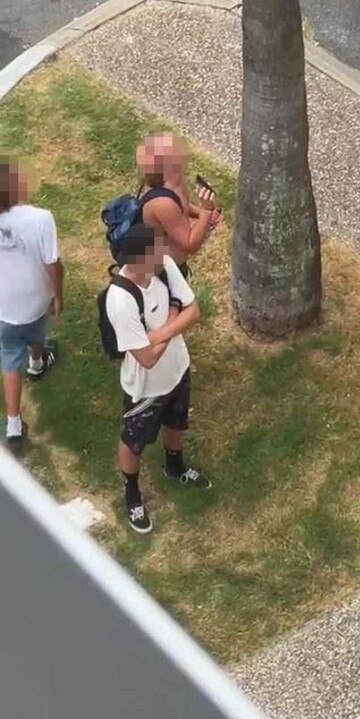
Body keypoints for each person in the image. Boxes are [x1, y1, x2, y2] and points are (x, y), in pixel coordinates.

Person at [105, 224, 211, 534]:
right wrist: (175, 316)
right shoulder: (120, 300)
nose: (164, 257)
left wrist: (161, 330)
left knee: (177, 422)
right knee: (134, 440)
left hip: (178, 368)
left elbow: (194, 310)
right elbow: (147, 359)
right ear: (137, 261)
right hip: (145, 389)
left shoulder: (161, 265)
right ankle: (132, 493)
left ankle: (174, 466)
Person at [0, 157, 63, 451]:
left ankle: (13, 424)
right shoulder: (41, 218)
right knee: (36, 334)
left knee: (9, 354)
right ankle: (38, 363)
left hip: (4, 305)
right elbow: (53, 263)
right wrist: (57, 293)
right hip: (34, 298)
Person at [135, 133, 221, 277]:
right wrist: (206, 211)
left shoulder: (177, 183)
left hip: (176, 268)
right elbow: (189, 244)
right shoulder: (162, 203)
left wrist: (200, 214)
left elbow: (183, 207)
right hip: (160, 274)